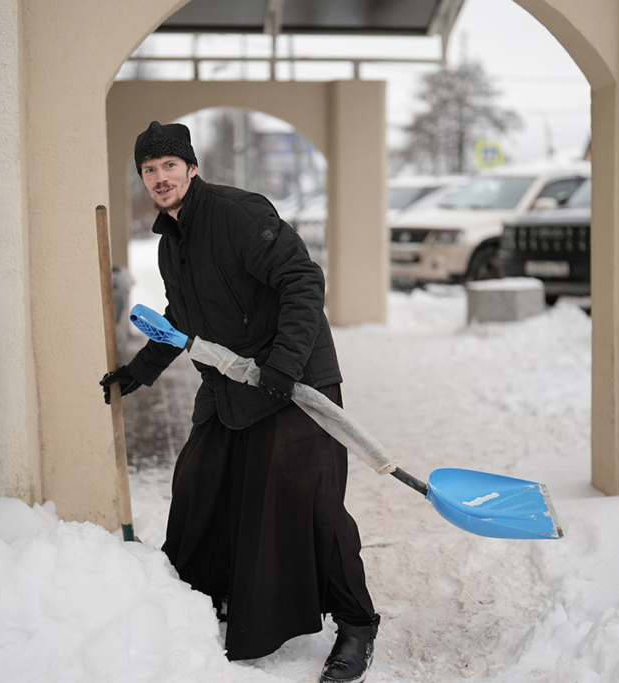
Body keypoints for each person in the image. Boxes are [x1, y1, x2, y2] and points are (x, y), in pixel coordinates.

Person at [100, 120, 380, 683]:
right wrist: (139, 372)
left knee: (309, 502)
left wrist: (285, 363)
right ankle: (206, 601)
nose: (159, 177)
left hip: (293, 383)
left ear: (192, 167)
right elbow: (181, 318)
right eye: (149, 170)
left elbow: (302, 280)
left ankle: (357, 625)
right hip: (232, 384)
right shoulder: (171, 242)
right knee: (203, 485)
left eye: (168, 166)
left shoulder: (237, 213)